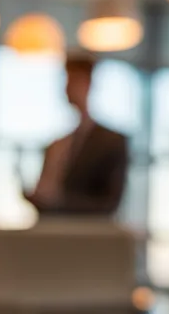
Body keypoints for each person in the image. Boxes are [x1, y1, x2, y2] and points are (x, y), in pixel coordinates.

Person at [25, 53, 128, 217]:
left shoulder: (112, 141)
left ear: (88, 84)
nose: (67, 88)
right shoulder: (58, 144)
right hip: (51, 227)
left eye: (73, 80)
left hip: (86, 230)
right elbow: (44, 197)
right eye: (67, 80)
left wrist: (57, 202)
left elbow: (108, 204)